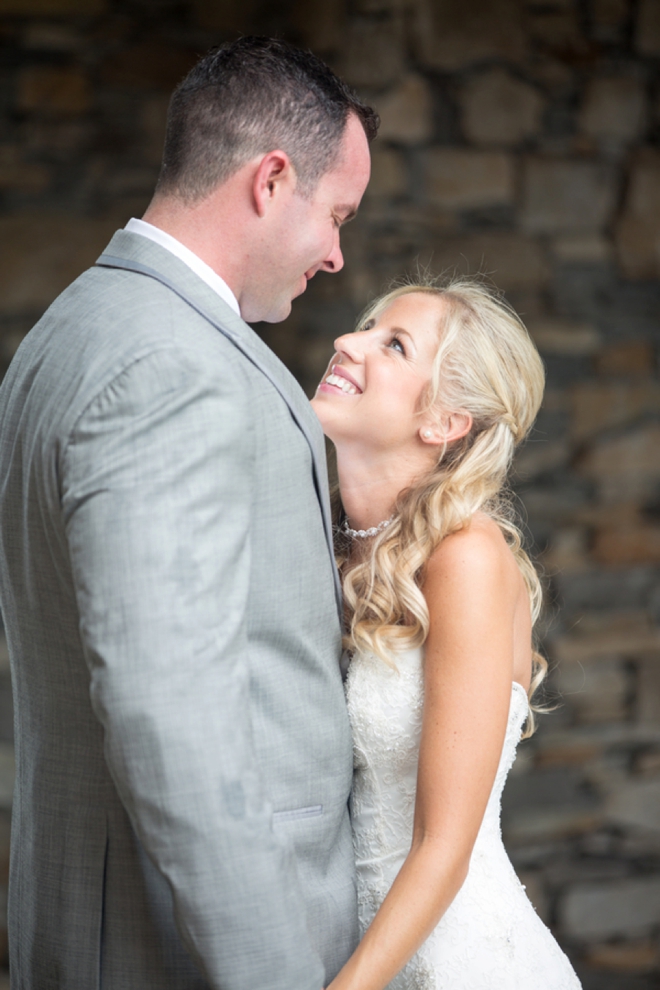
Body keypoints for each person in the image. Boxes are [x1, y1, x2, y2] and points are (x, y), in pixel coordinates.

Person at [0, 38, 376, 990]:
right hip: (175, 948)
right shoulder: (172, 367)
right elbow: (173, 721)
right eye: (335, 216)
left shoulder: (74, 325)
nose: (337, 254)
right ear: (270, 179)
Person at [311, 278, 582, 989]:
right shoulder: (328, 544)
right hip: (349, 946)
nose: (347, 342)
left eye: (392, 344)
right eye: (363, 328)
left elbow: (443, 844)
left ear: (442, 422)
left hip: (457, 965)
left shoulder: (466, 558)